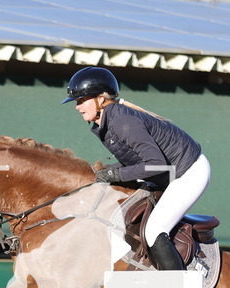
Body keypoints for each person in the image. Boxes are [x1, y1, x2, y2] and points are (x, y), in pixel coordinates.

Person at [62, 66, 211, 271]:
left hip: (189, 172)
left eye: (81, 100)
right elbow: (136, 162)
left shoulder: (123, 121)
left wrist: (116, 174)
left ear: (101, 99)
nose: (77, 107)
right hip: (168, 173)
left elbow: (155, 164)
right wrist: (102, 173)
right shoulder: (106, 124)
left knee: (154, 231)